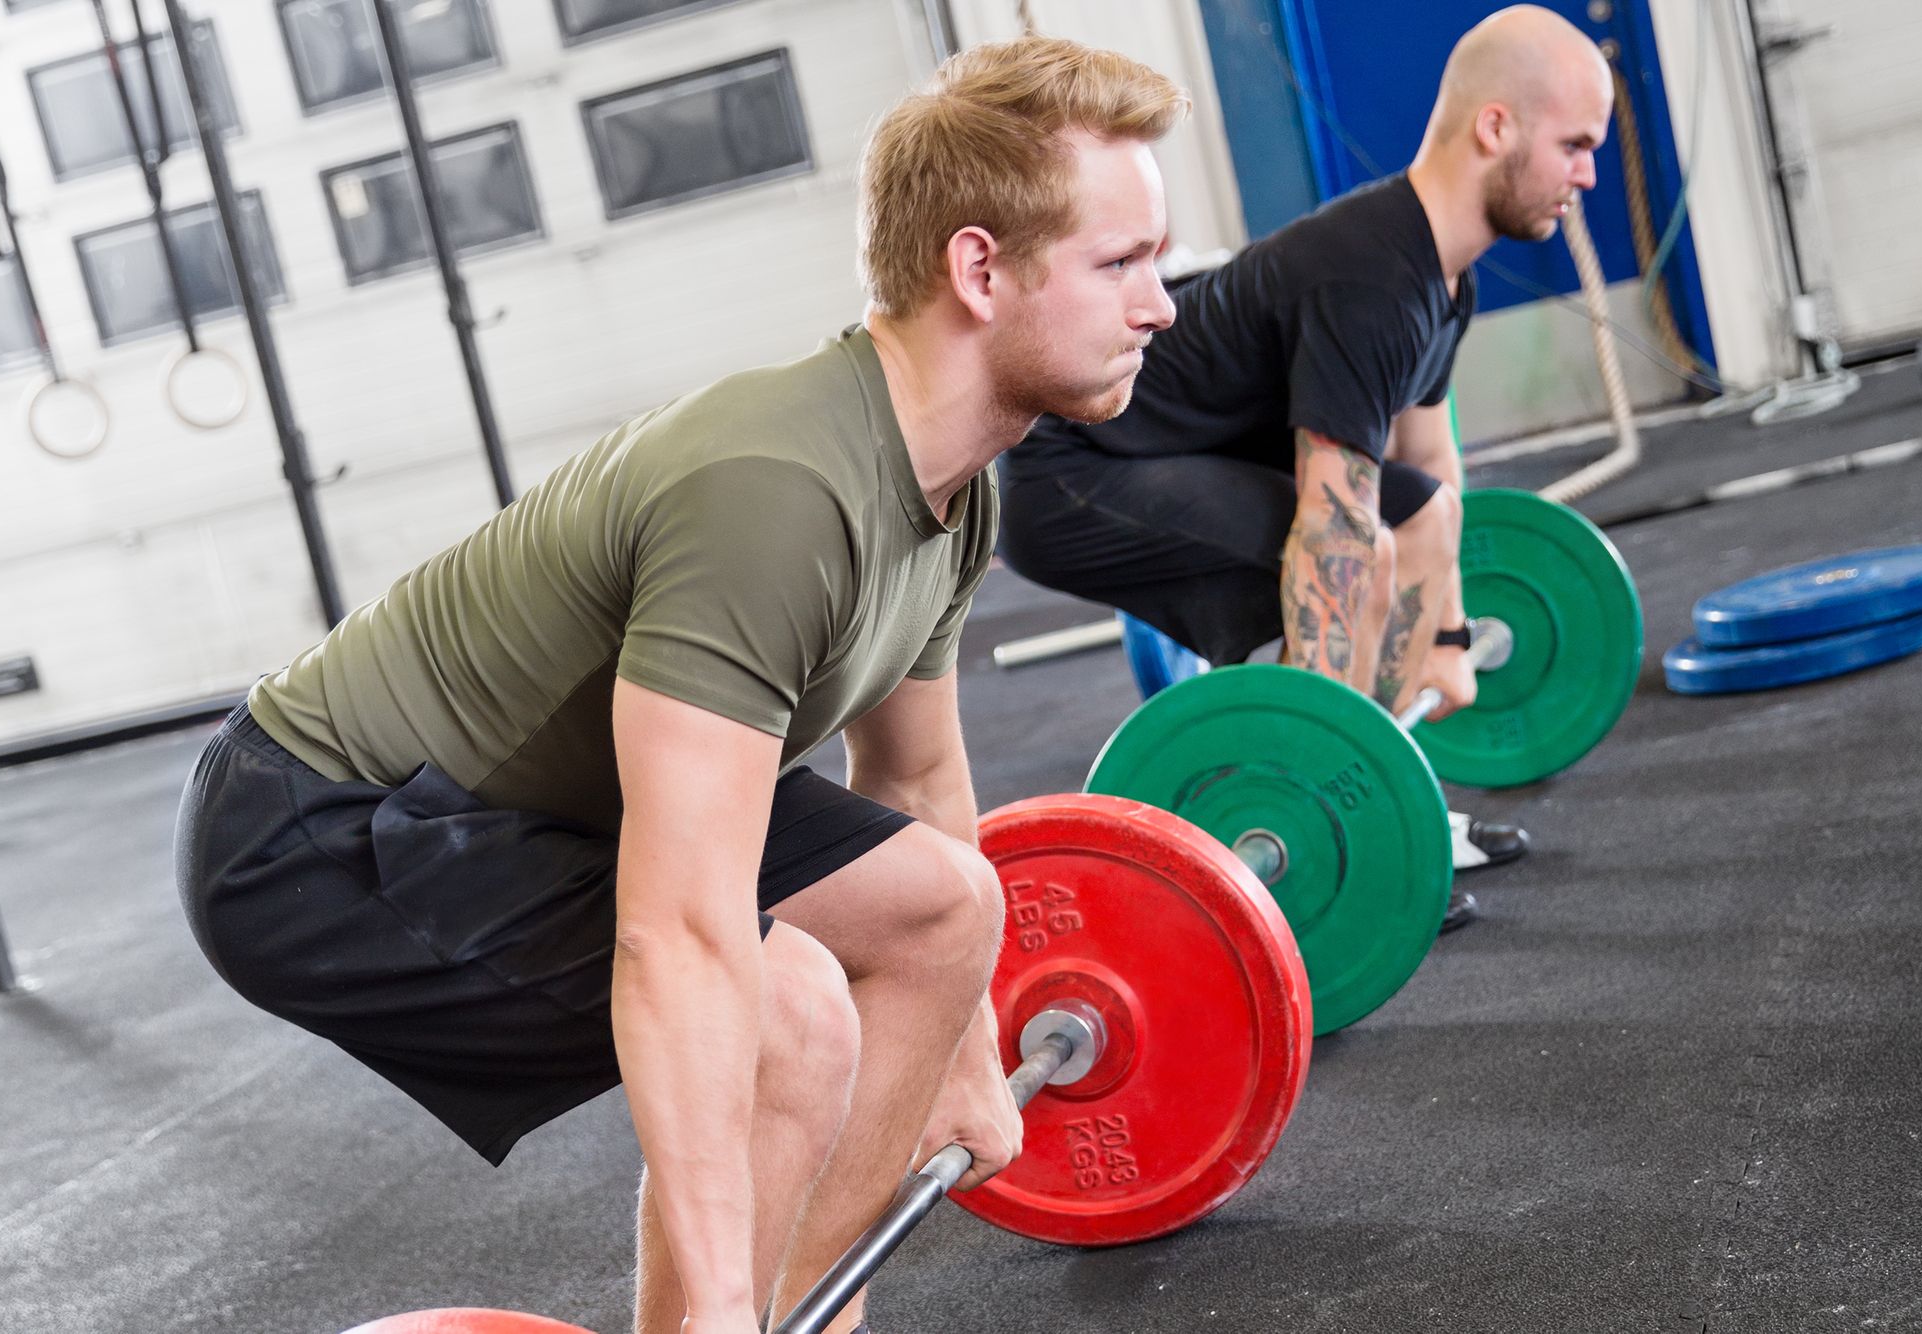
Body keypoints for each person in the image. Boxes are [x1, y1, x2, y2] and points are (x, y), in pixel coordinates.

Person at [174, 36, 1186, 1334]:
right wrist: (710, 1296)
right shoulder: (781, 492)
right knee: (797, 1014)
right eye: (1122, 263)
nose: (1158, 303)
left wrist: (967, 1051)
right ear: (979, 268)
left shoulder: (955, 487)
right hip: (318, 832)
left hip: (541, 792)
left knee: (943, 904)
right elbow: (680, 935)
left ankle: (800, 1311)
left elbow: (919, 779)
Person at [996, 5, 1615, 927]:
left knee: (1422, 517)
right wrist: (1324, 770)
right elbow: (1336, 535)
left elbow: (1429, 472)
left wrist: (1446, 642)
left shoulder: (1443, 276)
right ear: (1498, 127)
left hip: (1183, 451)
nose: (1588, 174)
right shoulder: (1372, 278)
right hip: (1075, 474)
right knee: (1342, 573)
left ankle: (1392, 804)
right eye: (1574, 144)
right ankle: (1310, 840)